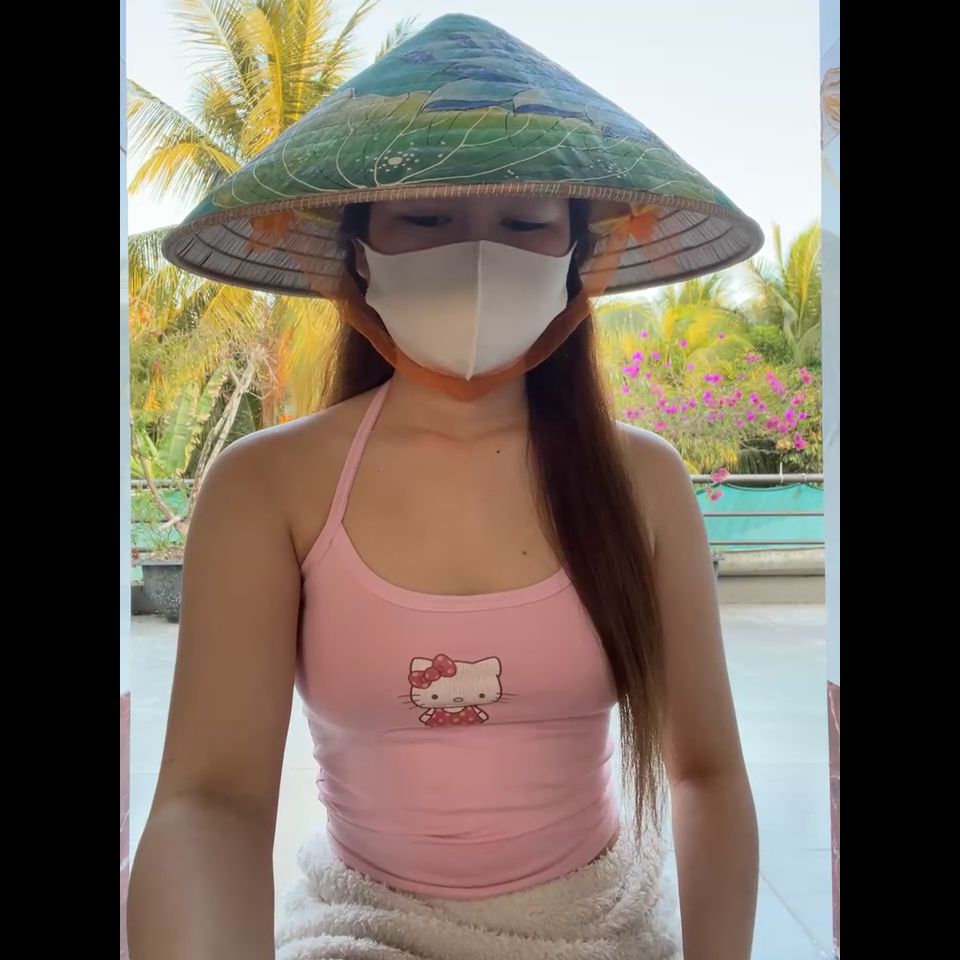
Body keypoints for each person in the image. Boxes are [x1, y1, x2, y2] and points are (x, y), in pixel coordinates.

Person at [128, 13, 762, 960]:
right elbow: (209, 802)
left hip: (598, 926)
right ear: (357, 252)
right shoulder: (266, 486)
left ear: (578, 259)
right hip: (363, 927)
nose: (475, 255)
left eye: (523, 222)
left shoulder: (643, 482)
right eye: (425, 219)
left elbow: (705, 772)